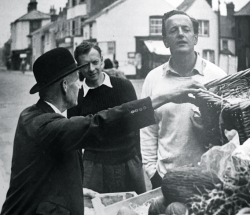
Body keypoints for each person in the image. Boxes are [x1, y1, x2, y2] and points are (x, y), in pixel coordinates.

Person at [0, 47, 205, 215]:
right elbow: (100, 123)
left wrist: (75, 191)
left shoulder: (32, 115)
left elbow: (41, 175)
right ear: (64, 85)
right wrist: (167, 96)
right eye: (76, 79)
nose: (80, 85)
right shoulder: (45, 125)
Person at [140, 10, 227, 189]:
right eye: (173, 30)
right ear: (165, 41)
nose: (180, 34)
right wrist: (152, 172)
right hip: (167, 178)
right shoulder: (153, 79)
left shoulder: (217, 76)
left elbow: (230, 131)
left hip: (209, 179)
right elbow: (147, 131)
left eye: (186, 29)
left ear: (195, 38)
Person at [68, 42, 144, 194]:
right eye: (85, 65)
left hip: (128, 162)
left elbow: (136, 127)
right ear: (78, 67)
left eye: (95, 62)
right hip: (94, 167)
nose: (91, 69)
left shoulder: (124, 86)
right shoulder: (76, 96)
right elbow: (75, 137)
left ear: (102, 60)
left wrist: (138, 161)